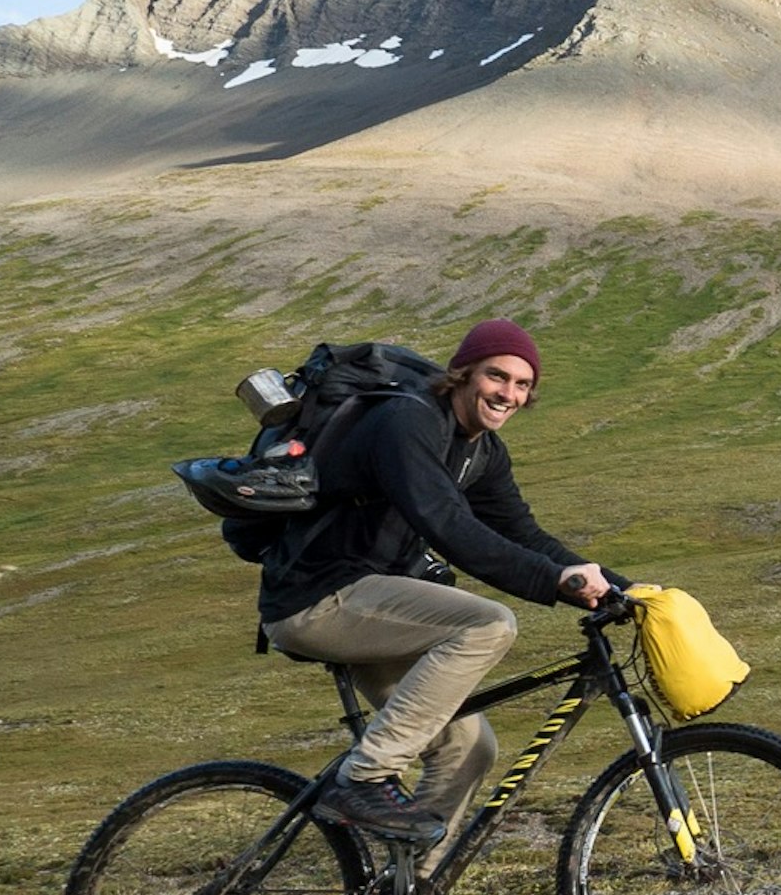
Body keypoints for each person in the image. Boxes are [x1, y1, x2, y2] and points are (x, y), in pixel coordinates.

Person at [254, 320, 613, 852]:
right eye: (497, 376)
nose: (508, 394)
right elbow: (447, 525)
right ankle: (363, 778)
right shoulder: (408, 421)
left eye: (521, 384)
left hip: (374, 609)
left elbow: (523, 534)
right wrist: (550, 582)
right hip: (318, 599)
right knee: (488, 624)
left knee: (470, 750)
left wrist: (627, 590)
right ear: (464, 373)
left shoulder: (481, 451)